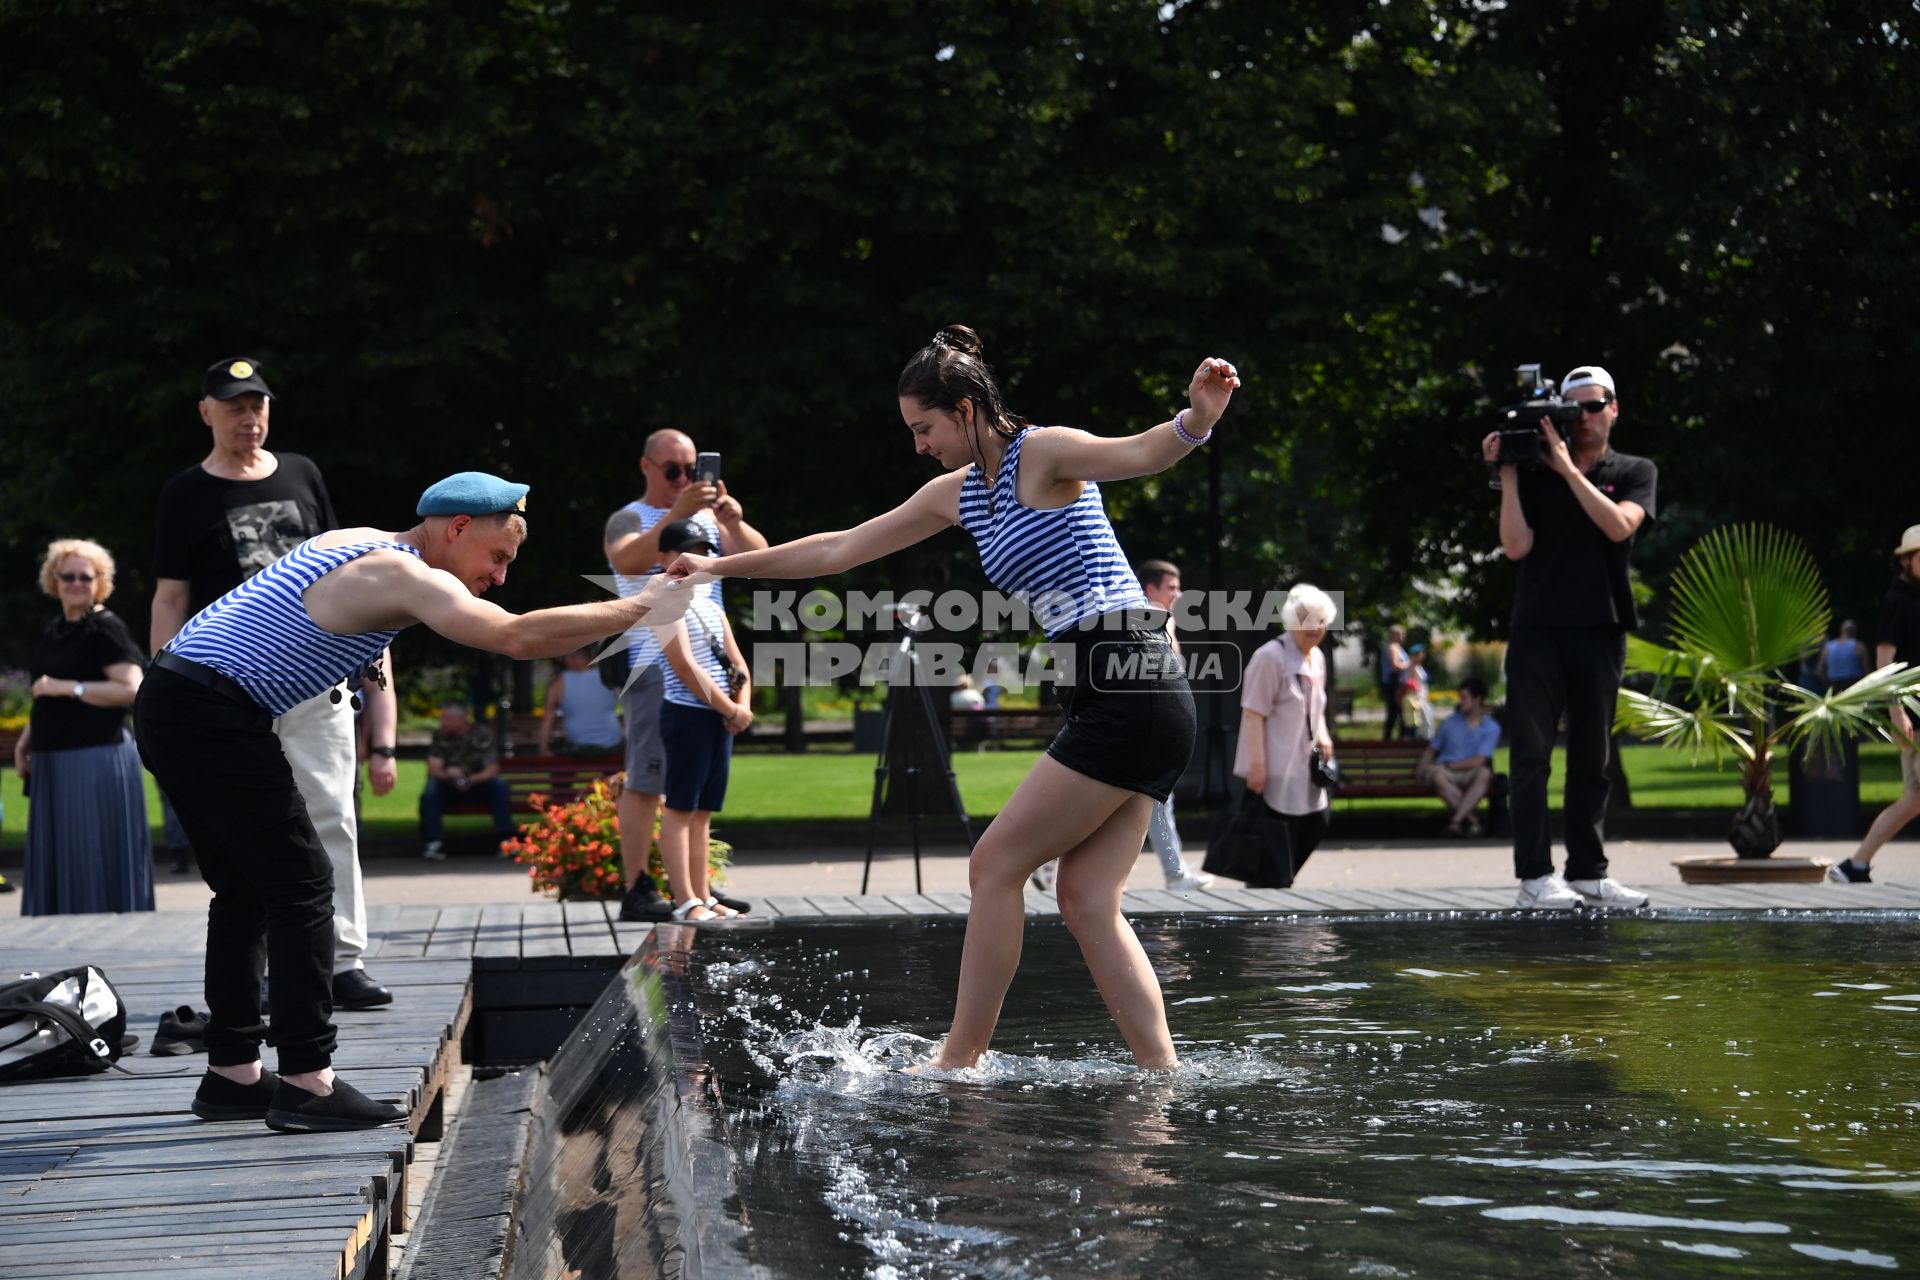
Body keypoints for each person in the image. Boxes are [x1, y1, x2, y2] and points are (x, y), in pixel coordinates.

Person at [668, 325, 1238, 1071]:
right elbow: (839, 548)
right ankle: (1161, 1076)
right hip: (1126, 692)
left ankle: (958, 1062)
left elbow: (1140, 452)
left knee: (993, 865)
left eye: (925, 427)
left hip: (1128, 681)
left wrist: (1197, 418)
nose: (918, 444)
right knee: (1088, 898)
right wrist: (716, 572)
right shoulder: (960, 493)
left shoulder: (1045, 452)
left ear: (966, 408)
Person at [134, 471, 692, 1131]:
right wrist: (644, 604)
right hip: (212, 712)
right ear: (457, 528)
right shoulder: (410, 576)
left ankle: (232, 1074)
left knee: (246, 891)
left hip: (171, 696)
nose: (502, 576)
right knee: (305, 886)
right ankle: (308, 1082)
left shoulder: (353, 542)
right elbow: (516, 636)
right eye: (498, 557)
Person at [151, 357, 396, 1010]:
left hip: (316, 677)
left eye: (257, 404)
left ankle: (343, 961)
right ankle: (264, 968)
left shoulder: (302, 474)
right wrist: (164, 685)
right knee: (248, 829)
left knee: (331, 814)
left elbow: (354, 567)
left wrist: (374, 663)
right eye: (234, 406)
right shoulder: (186, 494)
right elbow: (170, 598)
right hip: (229, 687)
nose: (248, 418)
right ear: (207, 413)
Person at [1482, 363, 1655, 911]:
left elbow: (1619, 526)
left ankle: (1589, 871)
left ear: (1614, 409)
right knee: (1530, 753)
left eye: (1594, 405)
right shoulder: (1532, 473)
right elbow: (1515, 547)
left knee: (1593, 755)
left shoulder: (1633, 470)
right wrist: (1509, 472)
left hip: (1601, 628)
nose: (1582, 417)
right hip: (1537, 629)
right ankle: (1535, 874)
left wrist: (1565, 468)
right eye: (1573, 407)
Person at [603, 429, 768, 922]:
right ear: (646, 467)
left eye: (691, 470)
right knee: (650, 778)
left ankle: (695, 888)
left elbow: (756, 557)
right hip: (655, 663)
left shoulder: (706, 517)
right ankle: (638, 886)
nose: (683, 480)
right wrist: (677, 515)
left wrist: (732, 522)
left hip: (708, 649)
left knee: (692, 789)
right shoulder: (630, 517)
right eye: (672, 470)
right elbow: (626, 558)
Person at [14, 539, 153, 915]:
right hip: (53, 758)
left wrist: (68, 688)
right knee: (63, 853)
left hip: (94, 758)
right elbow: (42, 694)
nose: (76, 583)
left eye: (85, 577)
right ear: (54, 580)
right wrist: (25, 742)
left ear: (100, 582)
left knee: (89, 849)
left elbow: (131, 688)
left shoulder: (105, 628)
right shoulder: (55, 628)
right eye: (68, 576)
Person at [653, 519, 754, 920]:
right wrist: (731, 710)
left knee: (702, 812)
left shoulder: (711, 605)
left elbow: (737, 662)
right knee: (679, 809)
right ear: (663, 558)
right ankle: (685, 901)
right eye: (685, 550)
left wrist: (741, 703)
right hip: (686, 716)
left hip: (718, 718)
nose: (698, 559)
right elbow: (683, 666)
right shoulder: (664, 602)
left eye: (704, 551)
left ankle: (704, 896)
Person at [1831, 528, 1920, 884]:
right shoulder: (1897, 600)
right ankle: (1855, 865)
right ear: (1905, 560)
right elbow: (1885, 661)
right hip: (1913, 711)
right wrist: (1895, 711)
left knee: (1914, 798)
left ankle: (1855, 865)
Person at [1234, 584, 1339, 881]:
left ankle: (1279, 879)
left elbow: (1316, 706)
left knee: (1318, 821)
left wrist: (1324, 735)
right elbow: (1253, 714)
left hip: (1305, 764)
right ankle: (1271, 887)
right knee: (1274, 833)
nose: (1314, 627)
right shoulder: (1270, 656)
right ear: (1292, 621)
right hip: (1275, 765)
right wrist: (1256, 766)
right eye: (1306, 619)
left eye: (1320, 620)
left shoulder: (1317, 658)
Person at [1137, 558, 1213, 892]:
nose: (1179, 593)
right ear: (1150, 588)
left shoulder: (1164, 621)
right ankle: (1175, 873)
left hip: (1155, 730)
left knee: (1149, 804)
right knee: (1152, 802)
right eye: (1171, 587)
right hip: (1146, 730)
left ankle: (1174, 871)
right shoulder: (1150, 620)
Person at [419, 701, 514, 859]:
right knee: (432, 788)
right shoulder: (441, 735)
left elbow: (492, 769)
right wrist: (451, 774)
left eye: (447, 718)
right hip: (449, 787)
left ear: (461, 719)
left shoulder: (481, 734)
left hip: (477, 785)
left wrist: (469, 779)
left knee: (499, 785)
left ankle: (506, 839)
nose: (443, 722)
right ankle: (433, 842)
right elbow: (434, 768)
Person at [1417, 676, 1502, 836]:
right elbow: (1431, 750)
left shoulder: (1491, 728)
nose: (1460, 701)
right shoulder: (1449, 723)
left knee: (1484, 774)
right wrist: (1421, 770)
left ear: (1478, 699)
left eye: (1464, 697)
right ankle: (1473, 821)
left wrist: (1448, 766)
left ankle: (1456, 822)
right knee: (1438, 778)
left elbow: (1479, 760)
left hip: (1463, 769)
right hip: (1446, 772)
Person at [536, 647, 625, 756]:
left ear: (568, 658)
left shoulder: (559, 683)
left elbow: (547, 719)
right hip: (612, 745)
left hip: (578, 747)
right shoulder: (606, 676)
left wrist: (543, 748)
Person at [1818, 620, 1868, 693]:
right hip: (1854, 686)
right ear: (1855, 631)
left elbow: (1820, 672)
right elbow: (1867, 670)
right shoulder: (1859, 646)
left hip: (1835, 686)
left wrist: (1829, 686)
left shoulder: (1828, 647)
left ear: (1841, 630)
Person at [1379, 624, 1411, 739]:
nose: (1403, 636)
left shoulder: (1397, 647)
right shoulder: (1392, 647)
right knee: (1394, 711)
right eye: (1401, 634)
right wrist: (1409, 665)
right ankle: (1390, 738)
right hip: (1394, 683)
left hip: (1397, 682)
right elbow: (1395, 665)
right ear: (1395, 635)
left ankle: (1400, 736)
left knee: (1399, 710)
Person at [1399, 643, 1434, 739]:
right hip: (1416, 698)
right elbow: (1410, 684)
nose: (1422, 656)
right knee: (1418, 721)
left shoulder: (1418, 666)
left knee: (1427, 720)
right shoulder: (1411, 667)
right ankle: (1420, 739)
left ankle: (1426, 738)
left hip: (1422, 697)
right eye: (1419, 654)